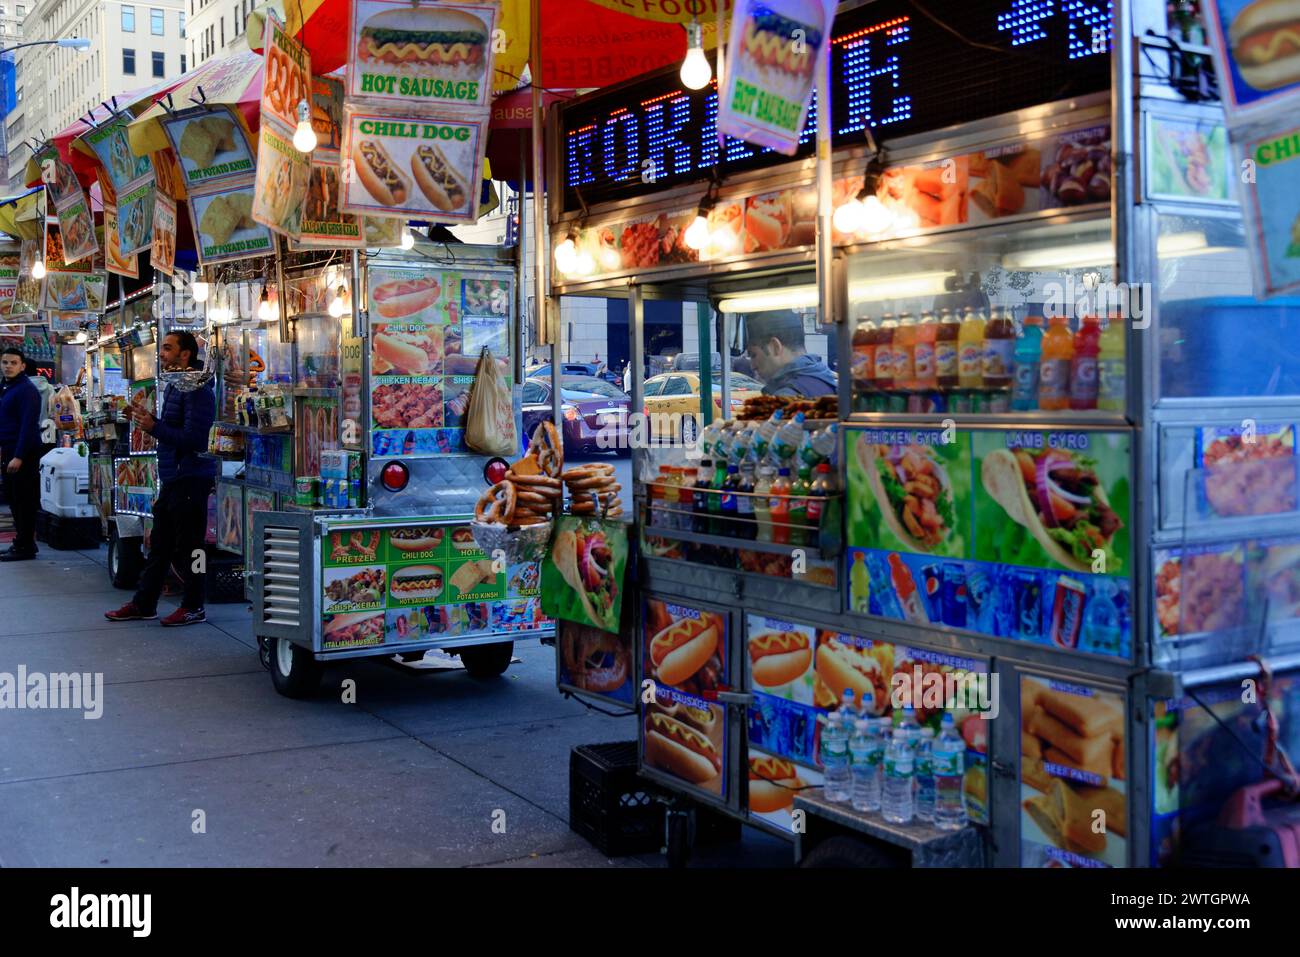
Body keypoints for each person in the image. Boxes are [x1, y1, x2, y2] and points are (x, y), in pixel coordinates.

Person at [106, 332, 217, 626]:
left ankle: (195, 605)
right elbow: (173, 428)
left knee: (193, 547)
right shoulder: (175, 386)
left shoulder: (199, 389)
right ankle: (145, 603)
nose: (162, 354)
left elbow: (196, 439)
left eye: (168, 348)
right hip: (173, 478)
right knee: (160, 544)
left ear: (185, 355)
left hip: (192, 478)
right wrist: (148, 419)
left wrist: (153, 426)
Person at [0, 347, 44, 560]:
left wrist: (18, 456)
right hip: (9, 449)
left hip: (23, 452)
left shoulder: (26, 390)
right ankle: (22, 542)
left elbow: (28, 426)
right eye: (5, 362)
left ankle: (26, 545)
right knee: (13, 499)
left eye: (13, 363)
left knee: (24, 500)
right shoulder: (7, 387)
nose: (8, 366)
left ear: (23, 366)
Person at [743, 312, 838, 397]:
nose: (752, 366)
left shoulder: (784, 398)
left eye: (753, 355)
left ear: (775, 346)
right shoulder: (827, 381)